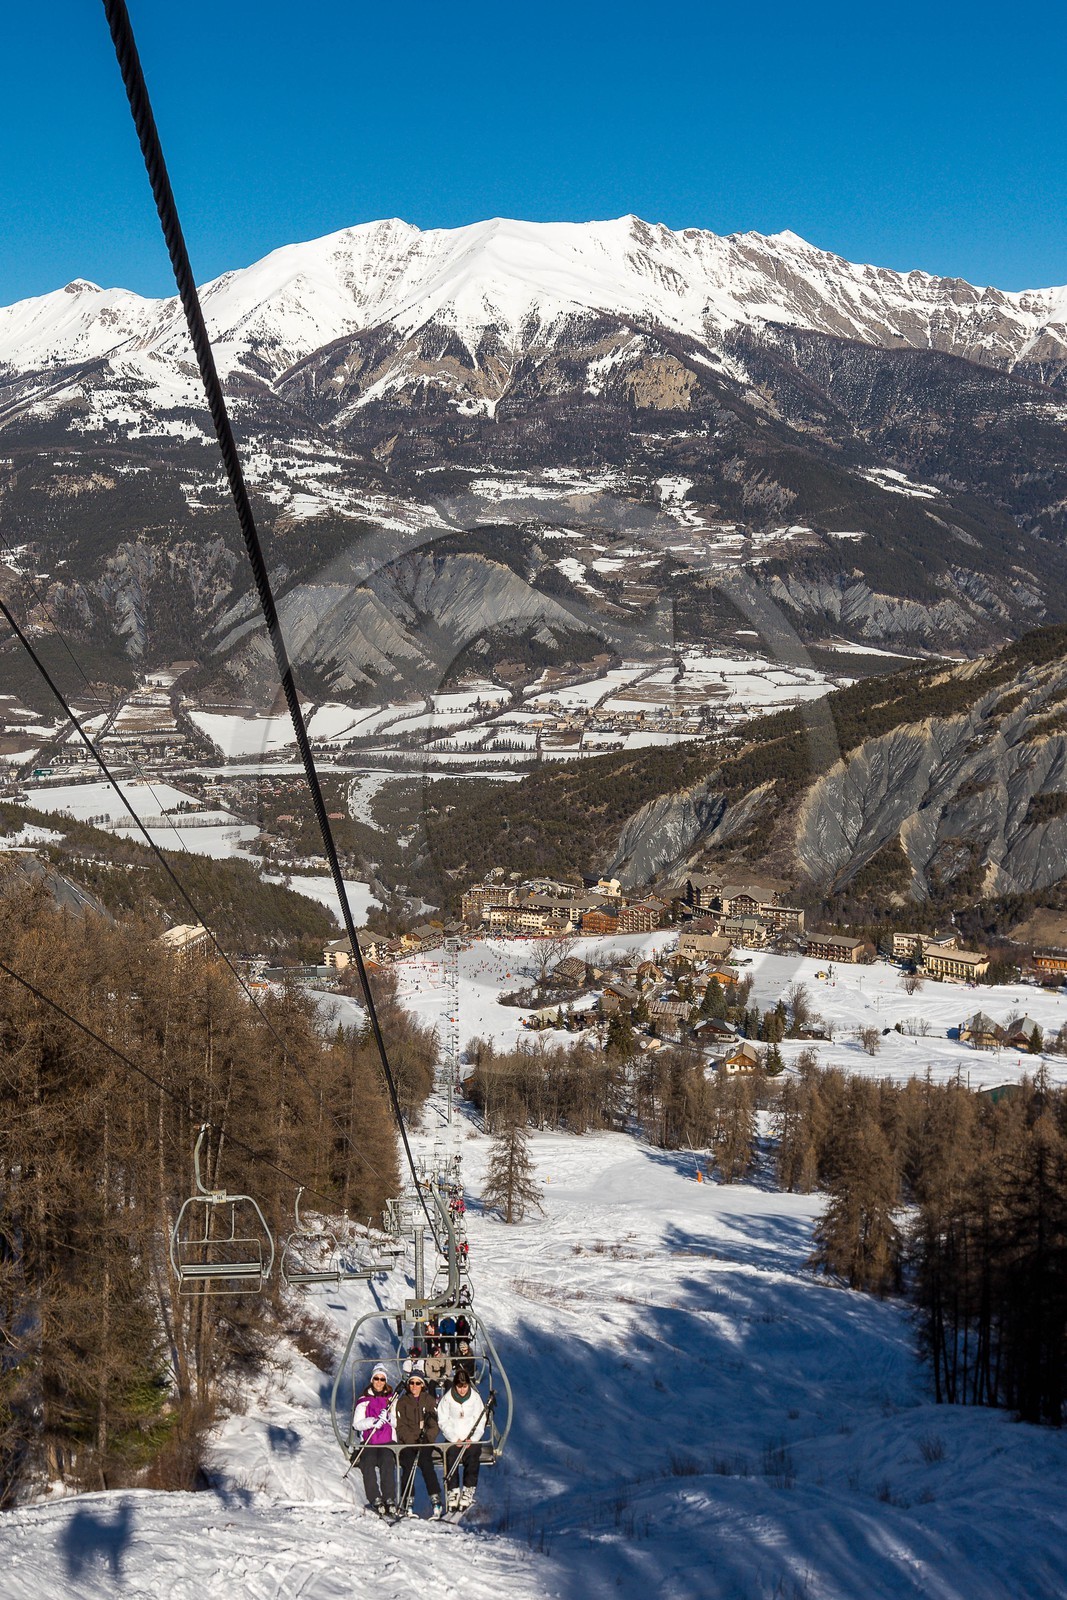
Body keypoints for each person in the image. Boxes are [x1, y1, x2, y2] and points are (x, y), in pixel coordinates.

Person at [438, 1369, 488, 1512]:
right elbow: (443, 1420)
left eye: (464, 1386)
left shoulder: (475, 1398)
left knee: (473, 1457)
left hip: (470, 1438)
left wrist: (473, 1438)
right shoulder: (447, 1399)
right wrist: (454, 1438)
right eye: (459, 1386)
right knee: (451, 1456)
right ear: (455, 1386)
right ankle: (453, 1490)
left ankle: (468, 1489)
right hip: (454, 1438)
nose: (462, 1390)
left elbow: (481, 1419)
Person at [351, 1365, 397, 1516]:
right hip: (370, 1441)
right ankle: (375, 1497)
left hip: (387, 1440)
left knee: (387, 1462)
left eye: (382, 1379)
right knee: (368, 1462)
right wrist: (372, 1422)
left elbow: (397, 1421)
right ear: (372, 1380)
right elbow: (357, 1424)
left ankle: (389, 1497)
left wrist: (388, 1418)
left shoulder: (391, 1399)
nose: (379, 1382)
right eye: (376, 1378)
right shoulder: (364, 1400)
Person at [395, 1372, 442, 1518]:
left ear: (422, 1385)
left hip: (424, 1443)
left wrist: (427, 1439)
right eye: (411, 1383)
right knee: (408, 1465)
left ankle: (436, 1500)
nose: (414, 1386)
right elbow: (400, 1426)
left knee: (427, 1464)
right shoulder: (402, 1402)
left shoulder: (428, 1400)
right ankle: (408, 1502)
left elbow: (434, 1424)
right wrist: (411, 1441)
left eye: (417, 1383)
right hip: (408, 1443)